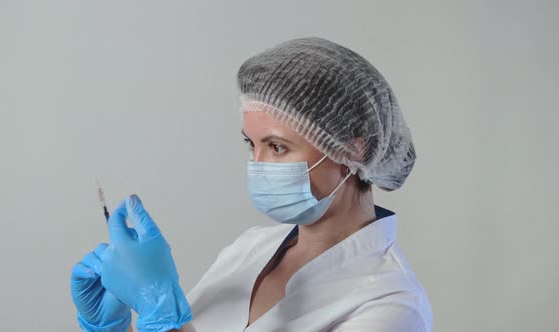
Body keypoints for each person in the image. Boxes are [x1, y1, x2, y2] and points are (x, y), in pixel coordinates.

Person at [70, 37, 433, 332]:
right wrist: (116, 330)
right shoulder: (250, 248)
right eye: (251, 144)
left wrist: (162, 317)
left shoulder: (393, 305)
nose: (257, 165)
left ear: (351, 149)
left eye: (277, 147)